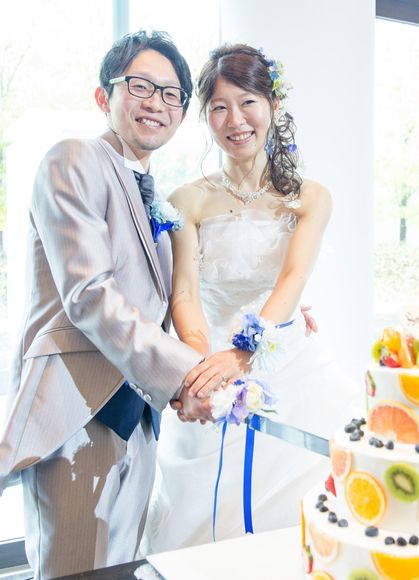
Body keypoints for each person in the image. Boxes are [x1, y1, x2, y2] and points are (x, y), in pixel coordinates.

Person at [0, 30, 211, 578]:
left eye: (171, 94)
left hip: (137, 415)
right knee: (73, 568)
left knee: (119, 565)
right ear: (104, 96)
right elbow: (89, 293)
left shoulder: (155, 195)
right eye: (140, 86)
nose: (156, 102)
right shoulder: (73, 159)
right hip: (77, 410)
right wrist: (188, 375)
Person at [141, 43, 352, 553]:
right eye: (219, 107)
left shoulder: (310, 197)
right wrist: (203, 366)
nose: (235, 120)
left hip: (289, 361)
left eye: (247, 102)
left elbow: (292, 280)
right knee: (206, 510)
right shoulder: (187, 200)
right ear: (205, 117)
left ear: (273, 105)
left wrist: (245, 352)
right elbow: (184, 291)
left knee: (310, 501)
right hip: (209, 356)